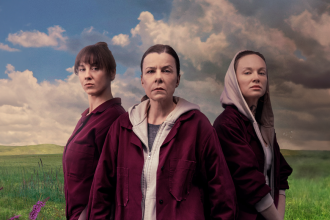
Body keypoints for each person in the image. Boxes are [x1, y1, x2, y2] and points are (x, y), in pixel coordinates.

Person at [87, 44, 237, 220]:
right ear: (142, 80)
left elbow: (222, 196)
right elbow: (101, 193)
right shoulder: (122, 127)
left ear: (178, 79)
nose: (158, 78)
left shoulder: (199, 126)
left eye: (166, 70)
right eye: (151, 71)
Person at [213, 50, 293, 220]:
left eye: (261, 73)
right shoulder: (227, 123)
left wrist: (279, 215)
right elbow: (248, 180)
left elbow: (280, 173)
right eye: (247, 72)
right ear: (234, 81)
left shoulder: (263, 124)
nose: (256, 78)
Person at [62, 42, 125, 220]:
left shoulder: (114, 119)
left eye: (95, 68)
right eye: (82, 69)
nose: (87, 76)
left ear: (112, 73)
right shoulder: (86, 118)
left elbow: (112, 185)